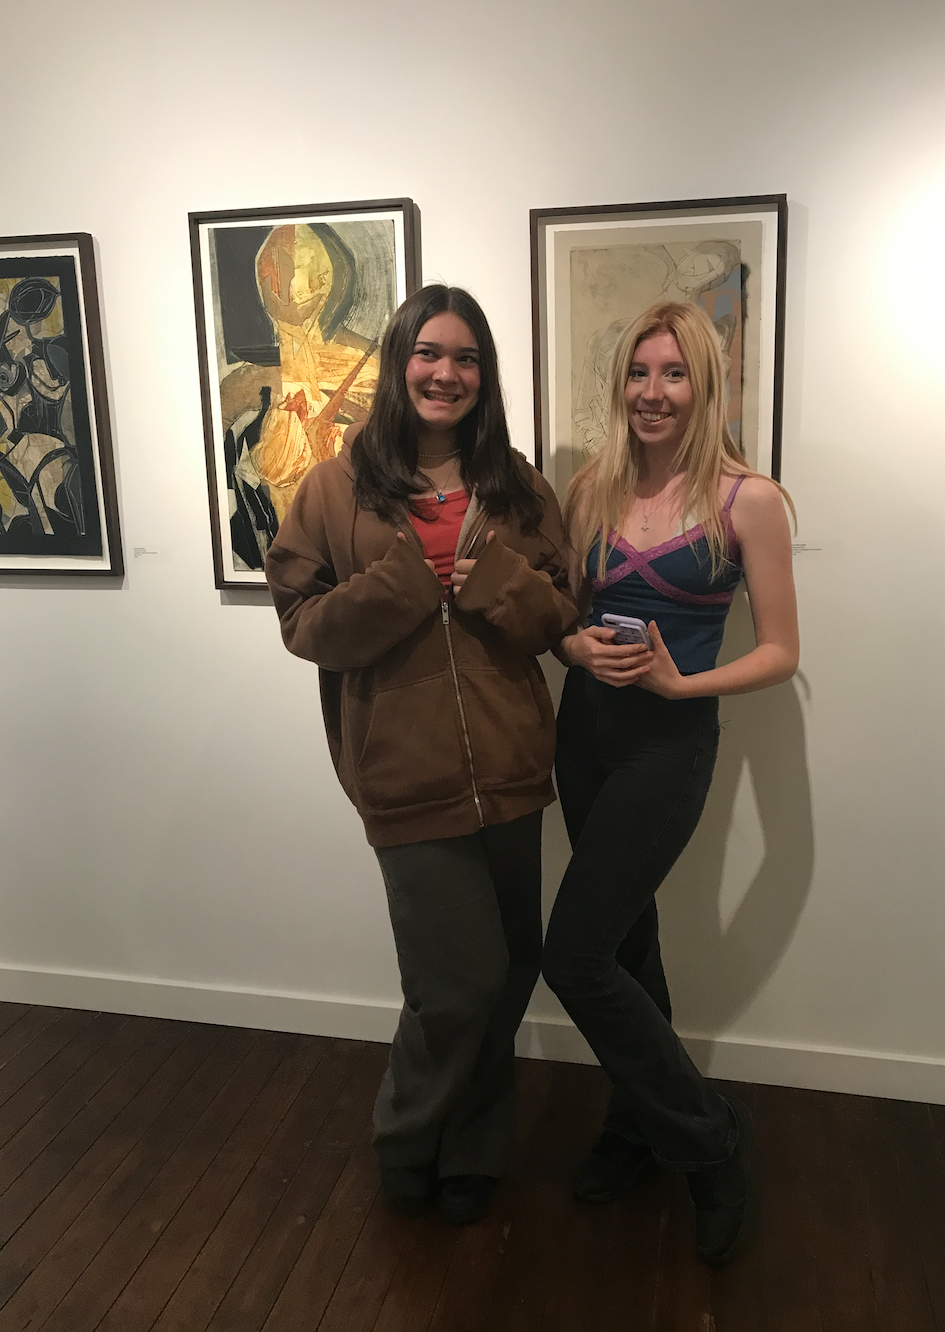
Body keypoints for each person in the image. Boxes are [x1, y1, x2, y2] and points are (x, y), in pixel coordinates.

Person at [265, 284, 578, 1225]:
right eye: (429, 353)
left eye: (466, 358)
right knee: (457, 982)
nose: (447, 373)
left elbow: (560, 611)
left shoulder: (516, 485)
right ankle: (408, 1137)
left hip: (513, 765)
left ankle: (473, 1147)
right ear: (399, 361)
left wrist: (498, 583)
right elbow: (301, 623)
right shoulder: (334, 487)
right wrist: (404, 586)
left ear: (485, 375)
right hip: (404, 774)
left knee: (512, 967)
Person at [543, 300, 799, 1264]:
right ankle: (637, 1126)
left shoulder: (748, 501)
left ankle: (708, 1141)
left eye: (674, 374)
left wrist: (684, 683)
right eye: (639, 373)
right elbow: (565, 619)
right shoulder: (591, 489)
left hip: (668, 744)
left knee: (573, 957)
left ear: (705, 385)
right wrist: (573, 646)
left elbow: (780, 650)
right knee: (626, 945)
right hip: (586, 736)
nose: (653, 393)